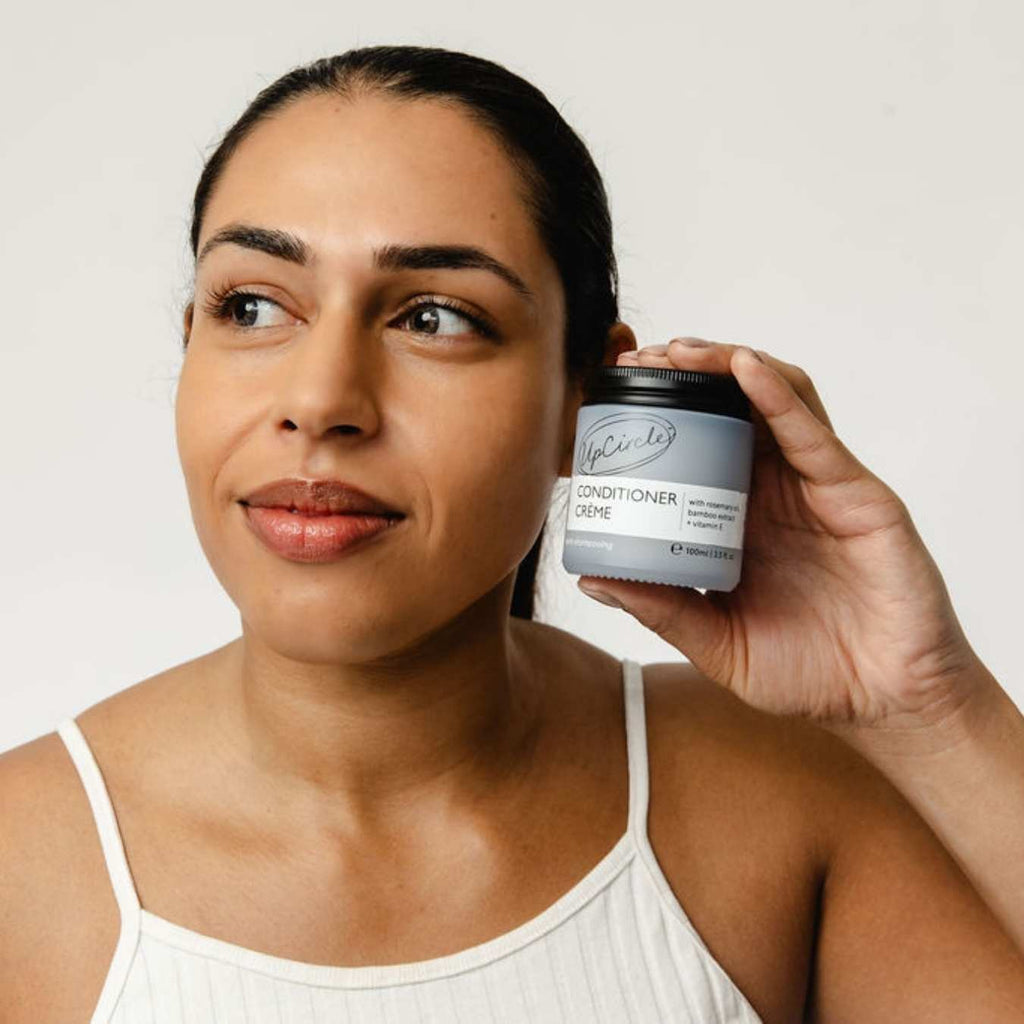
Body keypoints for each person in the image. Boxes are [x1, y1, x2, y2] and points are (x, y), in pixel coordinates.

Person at [1, 44, 1022, 1023]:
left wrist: (925, 705)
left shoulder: (779, 797)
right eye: (254, 304)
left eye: (435, 317)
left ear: (591, 398)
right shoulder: (20, 866)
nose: (319, 401)